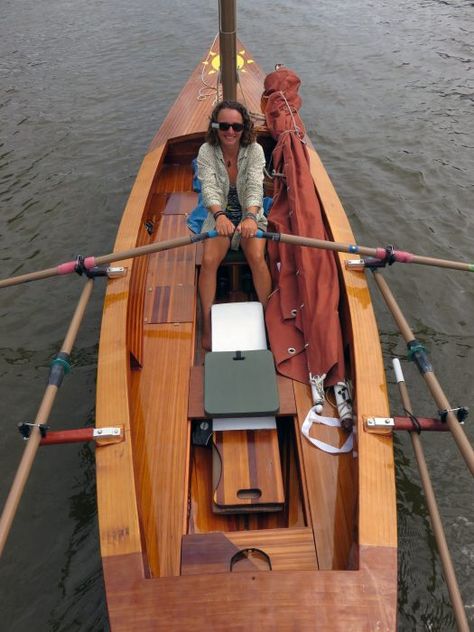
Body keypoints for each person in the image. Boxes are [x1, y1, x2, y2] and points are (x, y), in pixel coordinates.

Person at [197, 100, 272, 350]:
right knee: (208, 262)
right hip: (218, 219)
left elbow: (254, 186)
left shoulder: (255, 151)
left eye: (236, 127)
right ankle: (207, 326)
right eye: (225, 126)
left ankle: (269, 320)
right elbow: (207, 187)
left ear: (244, 128)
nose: (230, 132)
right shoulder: (206, 152)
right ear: (216, 126)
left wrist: (250, 217)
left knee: (257, 258)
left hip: (250, 218)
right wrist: (219, 216)